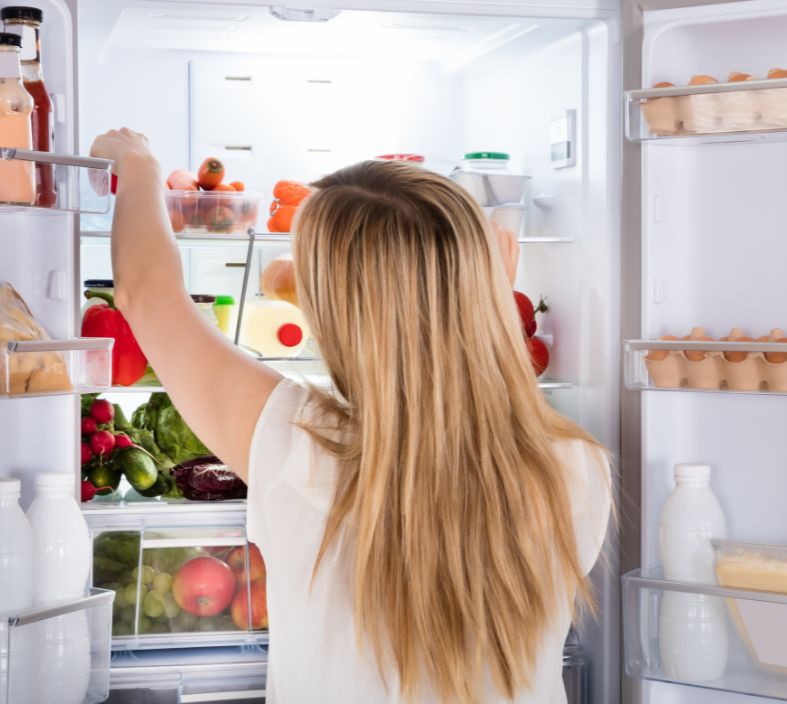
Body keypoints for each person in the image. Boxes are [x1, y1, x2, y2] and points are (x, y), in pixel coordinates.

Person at [91, 128, 612, 704]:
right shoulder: (576, 466)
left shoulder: (299, 443)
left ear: (334, 311)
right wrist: (476, 302)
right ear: (483, 284)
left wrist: (137, 160)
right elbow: (471, 400)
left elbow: (146, 294)